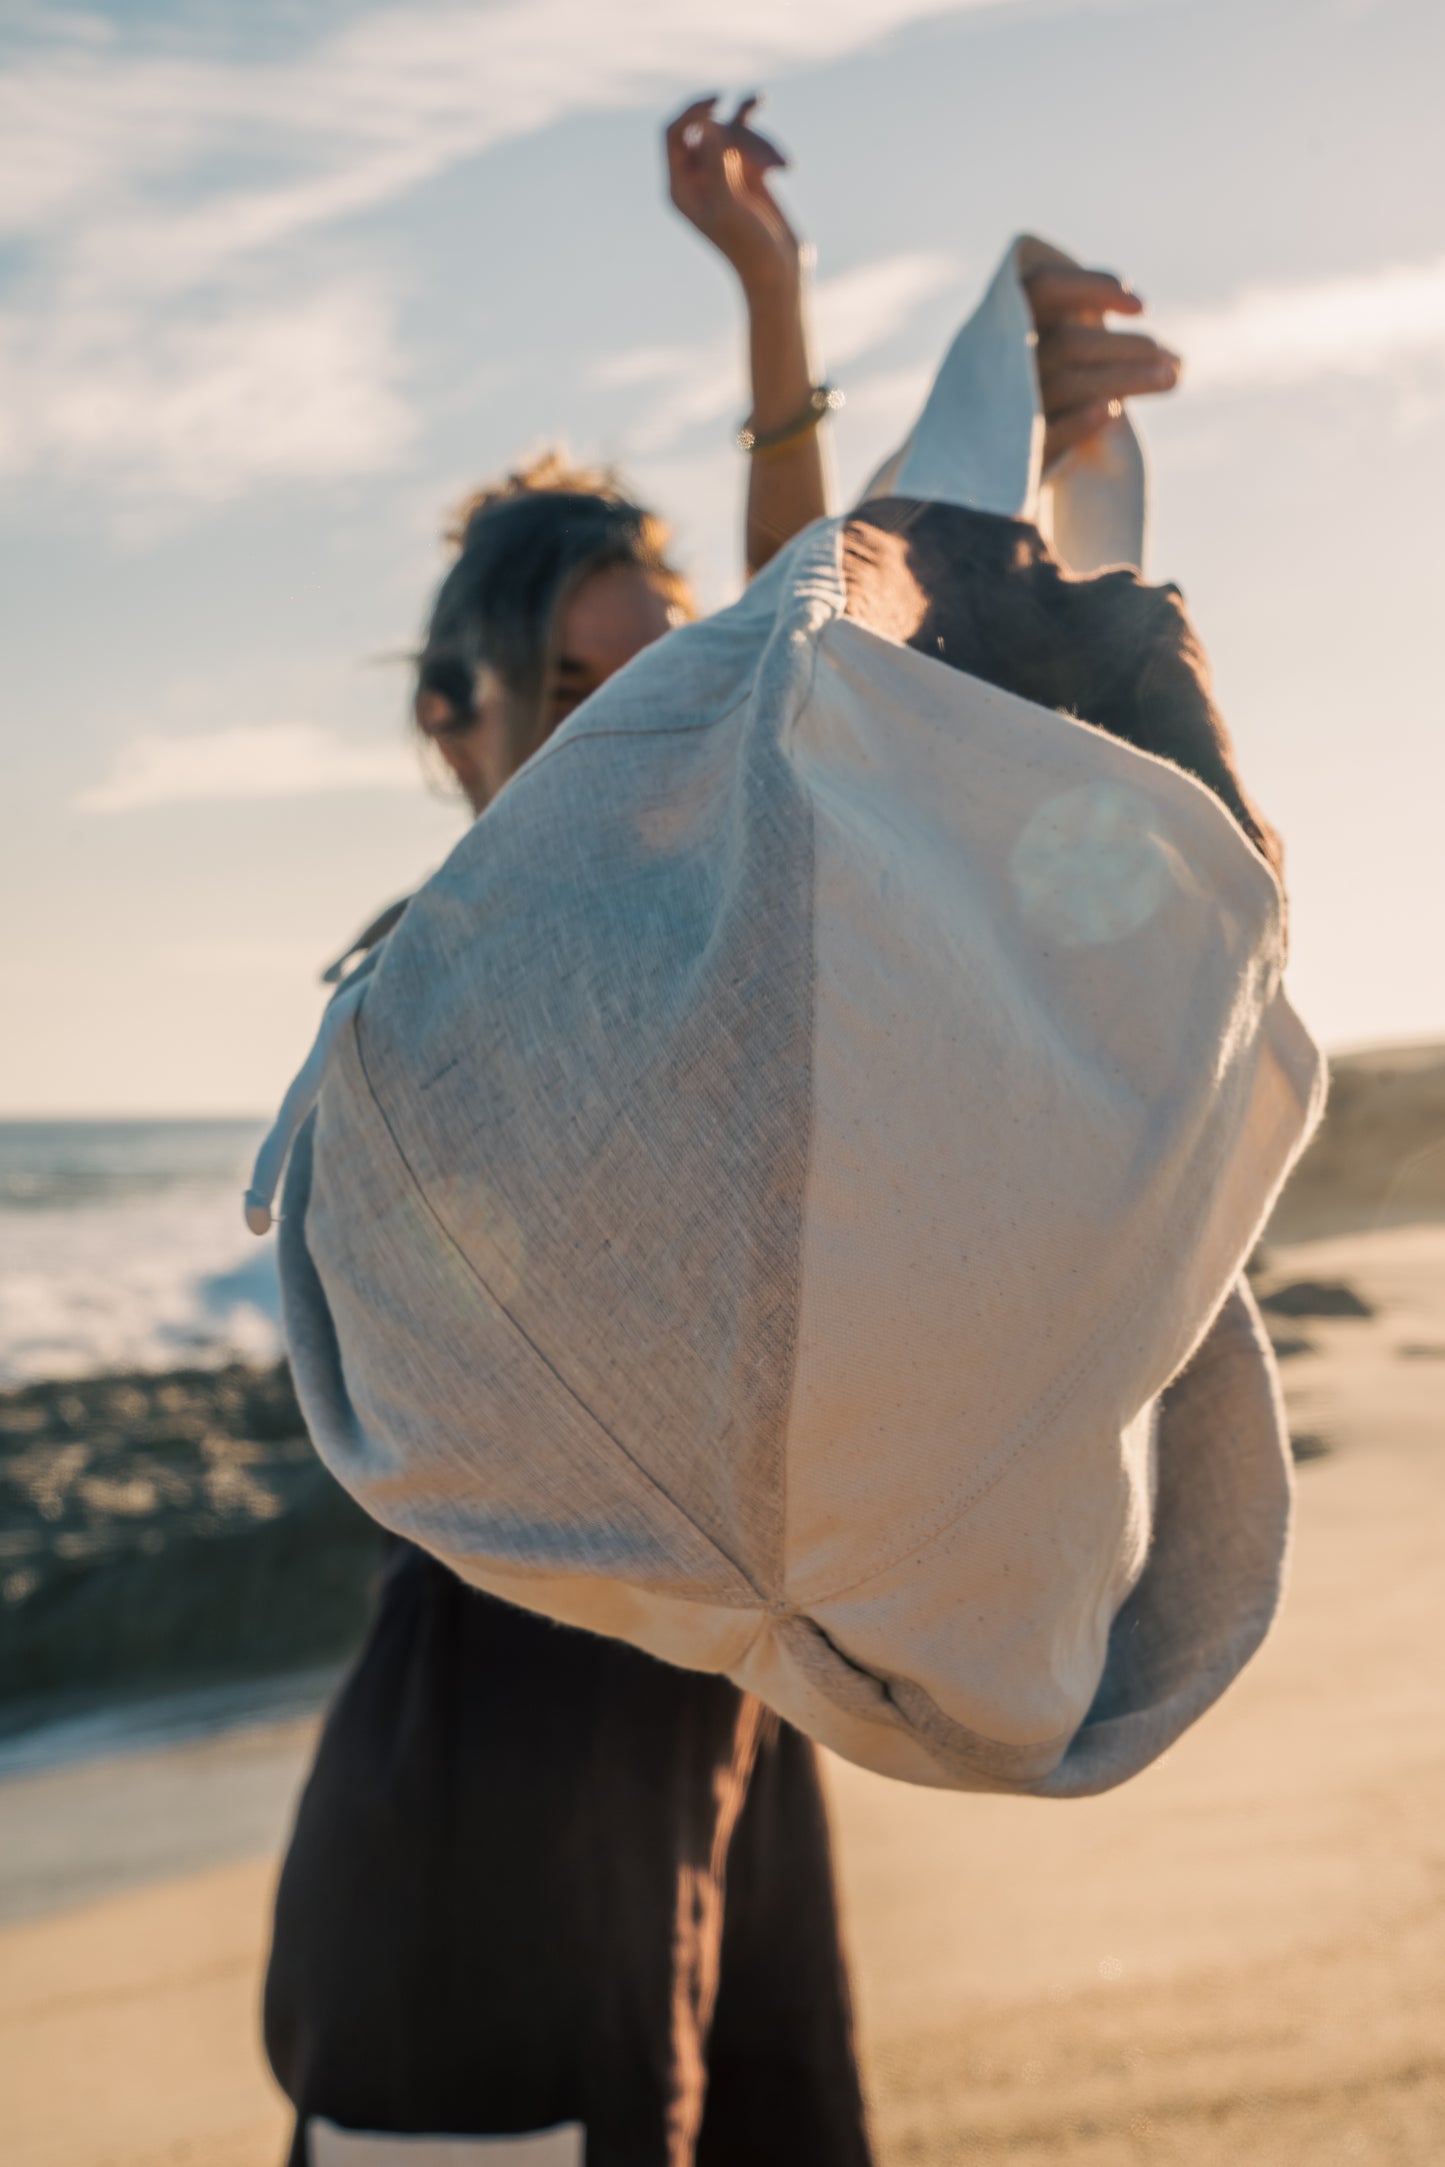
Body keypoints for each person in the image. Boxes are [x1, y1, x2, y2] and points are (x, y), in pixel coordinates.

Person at [263, 95, 1186, 2167]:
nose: (621, 741)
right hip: (481, 1839)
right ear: (452, 719)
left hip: (719, 1769)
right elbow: (784, 704)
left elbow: (792, 695)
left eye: (644, 688)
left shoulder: (696, 947)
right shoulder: (425, 1014)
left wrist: (795, 307)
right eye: (564, 695)